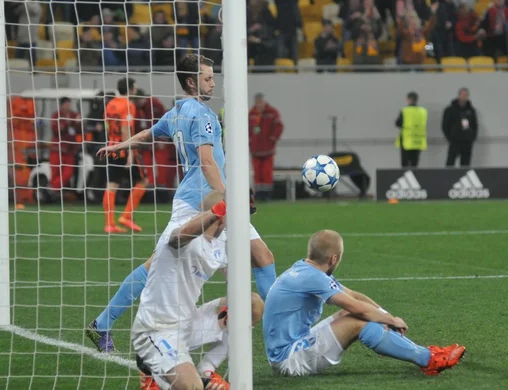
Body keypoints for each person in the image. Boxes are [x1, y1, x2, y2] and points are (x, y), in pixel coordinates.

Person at [89, 53, 276, 351]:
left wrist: (121, 145)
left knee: (262, 256)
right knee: (155, 267)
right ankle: (102, 324)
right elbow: (206, 161)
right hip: (201, 202)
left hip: (209, 198)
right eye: (207, 78)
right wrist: (229, 198)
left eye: (213, 77)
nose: (213, 83)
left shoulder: (177, 111)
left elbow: (149, 134)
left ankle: (275, 331)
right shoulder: (202, 115)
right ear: (191, 81)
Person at [263, 229, 466, 377]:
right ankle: (429, 360)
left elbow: (353, 296)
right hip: (288, 360)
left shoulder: (305, 269)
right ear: (334, 258)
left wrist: (384, 315)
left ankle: (425, 353)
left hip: (291, 348)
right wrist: (391, 319)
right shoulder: (314, 277)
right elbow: (356, 307)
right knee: (357, 320)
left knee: (351, 316)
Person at [130, 192, 263, 390]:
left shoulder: (220, 241)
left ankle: (207, 370)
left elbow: (235, 279)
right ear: (222, 215)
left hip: (188, 323)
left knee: (251, 304)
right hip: (157, 329)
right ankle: (152, 368)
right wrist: (219, 209)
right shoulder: (184, 232)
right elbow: (177, 238)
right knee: (192, 387)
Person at [103, 77, 147, 233]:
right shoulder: (128, 105)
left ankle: (109, 224)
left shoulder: (110, 104)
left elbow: (107, 126)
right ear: (130, 89)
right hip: (124, 148)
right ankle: (126, 216)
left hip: (111, 146)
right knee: (143, 180)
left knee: (112, 185)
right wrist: (129, 153)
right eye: (134, 87)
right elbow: (125, 129)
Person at [249, 93, 284, 201]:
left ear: (264, 102)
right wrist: (249, 141)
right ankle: (259, 194)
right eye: (257, 102)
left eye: (260, 102)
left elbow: (279, 126)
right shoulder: (251, 114)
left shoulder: (272, 113)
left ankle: (267, 194)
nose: (259, 105)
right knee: (257, 173)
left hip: (268, 149)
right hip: (255, 149)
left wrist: (273, 139)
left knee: (266, 172)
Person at [49, 97, 82, 195]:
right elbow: (56, 130)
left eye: (69, 104)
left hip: (70, 149)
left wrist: (78, 122)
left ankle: (53, 188)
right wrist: (69, 123)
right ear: (62, 105)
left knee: (68, 172)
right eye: (66, 104)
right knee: (55, 172)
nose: (68, 106)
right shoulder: (56, 115)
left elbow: (79, 130)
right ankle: (55, 190)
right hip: (57, 149)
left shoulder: (74, 115)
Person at [442, 88, 478, 167]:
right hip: (455, 141)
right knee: (450, 163)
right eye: (462, 95)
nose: (464, 97)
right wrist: (450, 137)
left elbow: (474, 125)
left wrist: (472, 137)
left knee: (465, 164)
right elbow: (445, 125)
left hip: (467, 141)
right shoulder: (450, 110)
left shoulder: (471, 110)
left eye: (466, 95)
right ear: (459, 95)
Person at [395, 91, 428, 168]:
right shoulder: (423, 111)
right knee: (415, 164)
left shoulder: (405, 111)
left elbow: (398, 123)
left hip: (407, 141)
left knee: (405, 164)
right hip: (418, 141)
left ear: (408, 99)